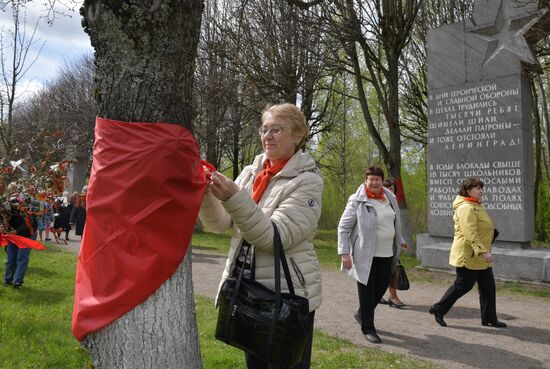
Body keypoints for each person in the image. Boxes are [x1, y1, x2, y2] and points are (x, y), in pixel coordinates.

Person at [199, 103, 323, 369]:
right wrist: (206, 195)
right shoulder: (251, 172)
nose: (268, 136)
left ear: (297, 135)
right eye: (264, 129)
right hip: (248, 291)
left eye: (277, 129)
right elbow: (219, 225)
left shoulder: (307, 181)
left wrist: (234, 197)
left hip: (287, 297)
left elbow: (274, 237)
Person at [337, 166, 406, 344]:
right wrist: (344, 252)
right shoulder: (357, 200)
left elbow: (393, 222)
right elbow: (343, 227)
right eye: (371, 179)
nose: (374, 182)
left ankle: (361, 314)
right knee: (367, 293)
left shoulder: (389, 197)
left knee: (381, 287)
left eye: (377, 179)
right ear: (365, 181)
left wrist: (400, 238)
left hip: (387, 253)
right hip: (365, 254)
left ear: (382, 181)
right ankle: (368, 327)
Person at [429, 177, 506, 328]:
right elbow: (470, 233)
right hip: (469, 255)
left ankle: (489, 318)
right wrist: (483, 252)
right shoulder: (466, 208)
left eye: (481, 188)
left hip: (479, 255)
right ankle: (438, 309)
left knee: (488, 287)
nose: (481, 191)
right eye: (477, 188)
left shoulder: (476, 205)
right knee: (462, 286)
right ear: (468, 190)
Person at [379, 178, 408, 308]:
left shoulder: (393, 203)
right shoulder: (379, 203)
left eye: (392, 188)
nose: (390, 191)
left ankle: (393, 296)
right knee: (380, 270)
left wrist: (400, 239)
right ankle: (378, 294)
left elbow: (394, 225)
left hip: (392, 243)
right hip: (379, 243)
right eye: (388, 188)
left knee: (394, 269)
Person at [2, 198, 38, 289]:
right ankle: (8, 279)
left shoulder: (21, 213)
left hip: (28, 234)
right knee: (11, 257)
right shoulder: (3, 213)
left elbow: (28, 226)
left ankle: (18, 282)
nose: (4, 218)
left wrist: (15, 232)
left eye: (6, 215)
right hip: (13, 234)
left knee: (21, 257)